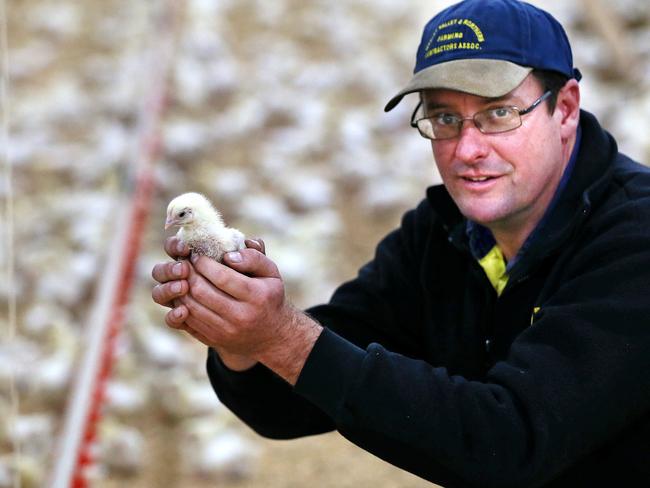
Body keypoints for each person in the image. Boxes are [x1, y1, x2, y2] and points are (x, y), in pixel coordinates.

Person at [151, 0, 650, 486]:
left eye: (499, 114)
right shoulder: (442, 235)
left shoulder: (634, 240)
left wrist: (280, 337)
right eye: (445, 119)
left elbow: (509, 441)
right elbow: (297, 398)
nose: (468, 149)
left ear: (564, 110)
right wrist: (241, 338)